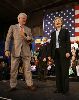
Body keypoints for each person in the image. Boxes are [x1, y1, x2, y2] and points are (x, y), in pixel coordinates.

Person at [5, 13, 36, 91]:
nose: (24, 19)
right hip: (15, 51)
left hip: (26, 52)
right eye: (23, 18)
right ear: (18, 19)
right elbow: (8, 39)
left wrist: (25, 36)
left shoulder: (28, 29)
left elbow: (32, 39)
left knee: (28, 69)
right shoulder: (13, 27)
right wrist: (6, 49)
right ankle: (13, 86)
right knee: (13, 69)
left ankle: (30, 84)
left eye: (25, 18)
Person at [48, 17, 71, 94]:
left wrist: (68, 52)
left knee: (64, 72)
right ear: (54, 24)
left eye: (59, 21)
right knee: (58, 72)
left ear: (61, 23)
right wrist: (49, 55)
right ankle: (59, 89)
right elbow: (51, 45)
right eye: (56, 21)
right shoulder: (53, 33)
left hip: (64, 53)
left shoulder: (65, 31)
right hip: (56, 54)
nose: (57, 22)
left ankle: (65, 90)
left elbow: (68, 42)